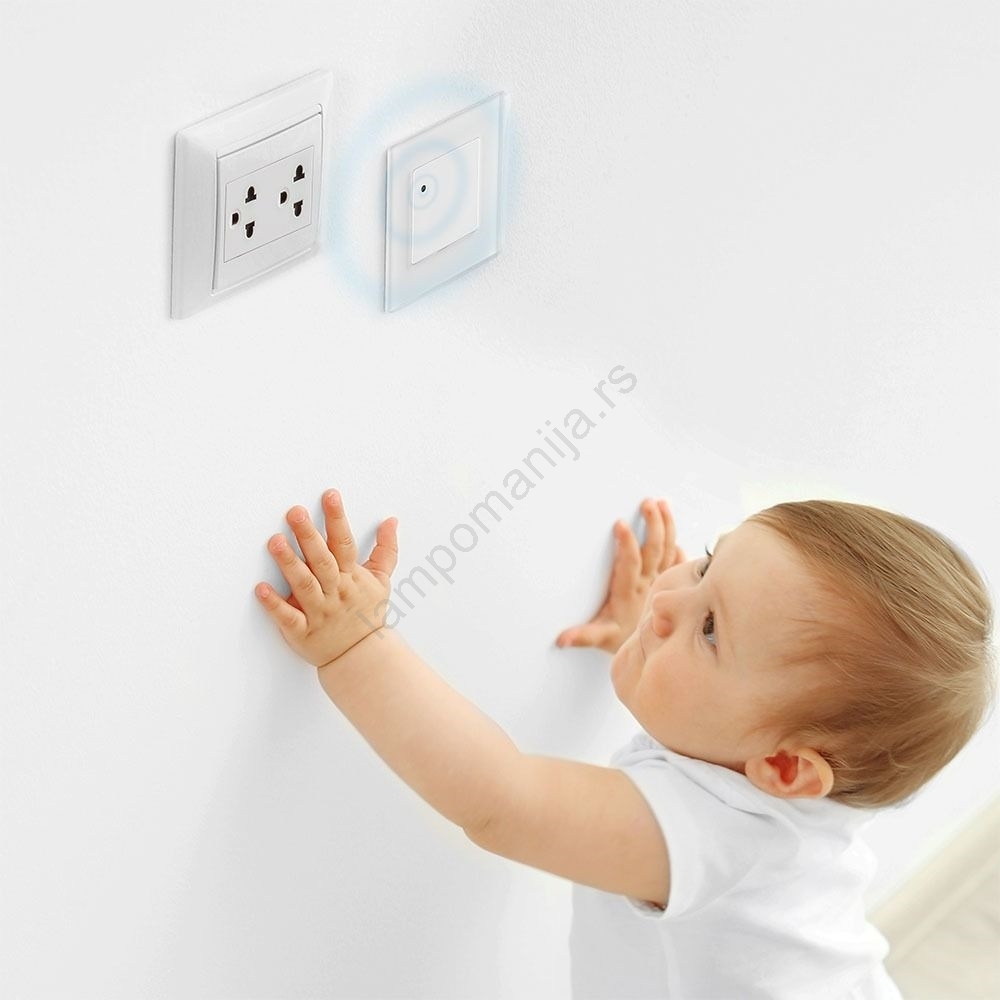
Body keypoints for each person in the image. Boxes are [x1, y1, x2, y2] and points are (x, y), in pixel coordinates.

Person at [255, 490, 996, 999]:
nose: (667, 600)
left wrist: (355, 646)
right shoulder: (767, 771)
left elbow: (501, 801)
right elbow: (715, 710)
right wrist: (659, 639)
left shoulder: (721, 837)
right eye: (706, 563)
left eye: (710, 628)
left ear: (780, 766)